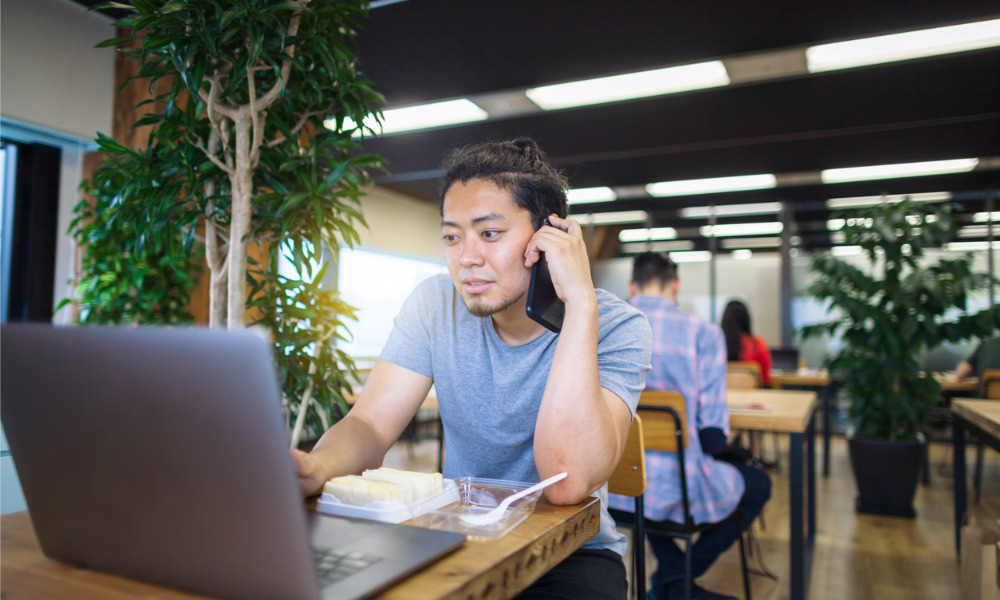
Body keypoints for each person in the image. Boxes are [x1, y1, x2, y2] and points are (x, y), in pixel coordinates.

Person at [294, 138, 653, 600]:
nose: (466, 257)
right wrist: (315, 465)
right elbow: (368, 424)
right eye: (451, 236)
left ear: (550, 238)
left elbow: (567, 482)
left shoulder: (619, 326)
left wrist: (579, 302)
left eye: (488, 234)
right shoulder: (435, 304)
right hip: (453, 531)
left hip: (571, 552)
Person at [609, 253, 770, 600]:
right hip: (674, 489)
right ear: (676, 285)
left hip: (613, 487)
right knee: (758, 483)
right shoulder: (703, 333)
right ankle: (675, 583)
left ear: (631, 286)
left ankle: (671, 582)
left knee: (648, 487)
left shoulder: (606, 330)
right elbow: (713, 438)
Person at [720, 299, 772, 387]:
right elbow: (766, 380)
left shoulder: (716, 344)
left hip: (722, 396)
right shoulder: (757, 344)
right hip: (753, 398)